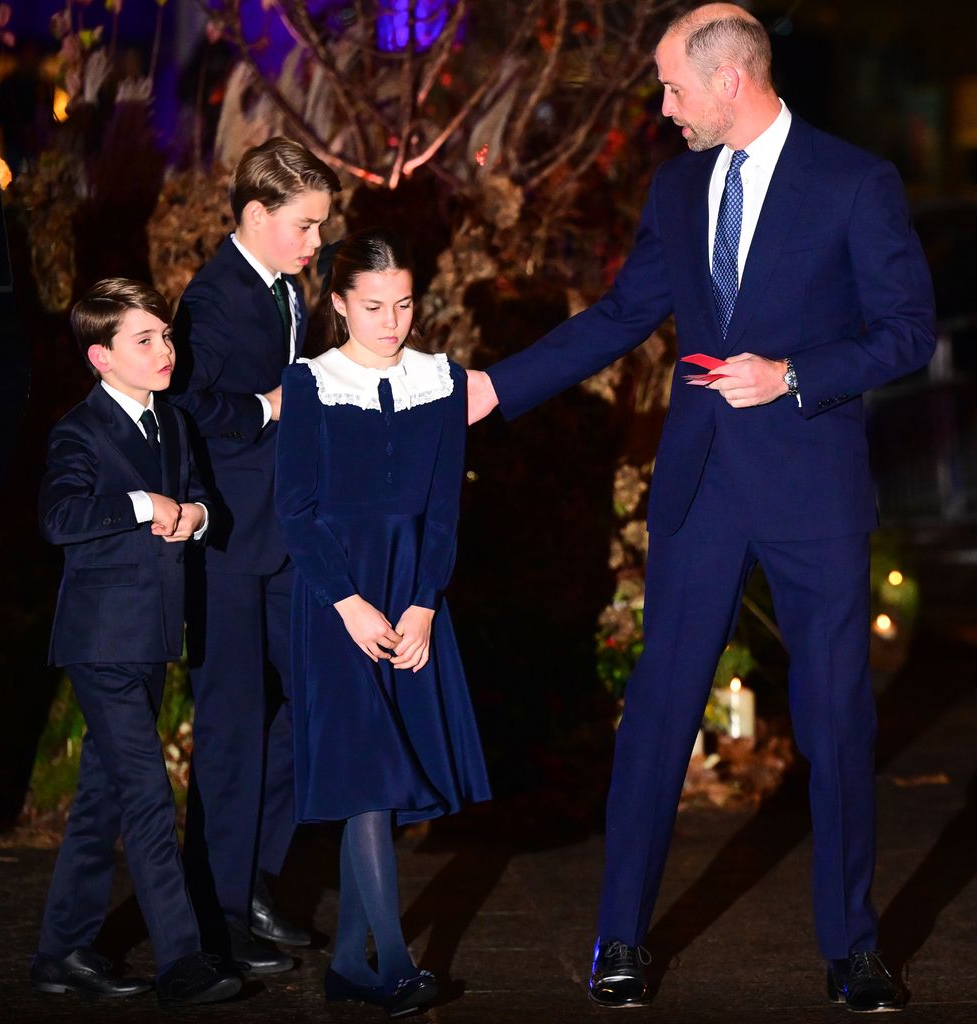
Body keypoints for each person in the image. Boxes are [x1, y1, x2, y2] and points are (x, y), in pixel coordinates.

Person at [467, 2, 935, 1013]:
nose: (661, 106)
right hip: (697, 490)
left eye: (673, 86)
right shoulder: (678, 187)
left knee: (834, 721)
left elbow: (903, 333)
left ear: (730, 80)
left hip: (809, 490)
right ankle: (619, 939)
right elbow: (623, 314)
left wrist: (795, 376)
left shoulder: (852, 182)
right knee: (655, 718)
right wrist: (493, 389)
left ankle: (852, 947)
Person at [275, 228, 491, 1018]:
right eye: (372, 306)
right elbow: (294, 513)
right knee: (368, 775)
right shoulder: (310, 384)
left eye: (402, 304)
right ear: (337, 304)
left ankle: (345, 968)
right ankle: (395, 966)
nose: (391, 320)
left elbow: (443, 507)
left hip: (412, 596)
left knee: (392, 775)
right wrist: (348, 603)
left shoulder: (442, 381)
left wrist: (425, 602)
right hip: (336, 600)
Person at [32, 278, 241, 1007]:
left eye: (166, 336)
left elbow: (198, 498)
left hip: (152, 637)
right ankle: (182, 961)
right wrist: (139, 505)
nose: (164, 350)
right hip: (100, 641)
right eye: (144, 340)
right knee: (150, 794)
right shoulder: (78, 431)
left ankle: (62, 951)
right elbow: (58, 516)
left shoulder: (171, 423)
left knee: (103, 799)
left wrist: (196, 518)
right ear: (101, 357)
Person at [169, 136, 341, 971]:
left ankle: (256, 880)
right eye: (305, 226)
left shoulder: (286, 286)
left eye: (320, 227)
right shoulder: (210, 299)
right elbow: (191, 405)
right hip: (231, 546)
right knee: (234, 732)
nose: (316, 242)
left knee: (306, 714)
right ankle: (217, 913)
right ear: (255, 215)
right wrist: (272, 407)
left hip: (283, 537)